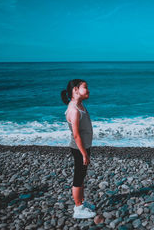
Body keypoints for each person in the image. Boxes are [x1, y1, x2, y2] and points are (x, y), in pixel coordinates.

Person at [61, 79, 96, 219]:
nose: (88, 90)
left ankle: (81, 202)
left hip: (84, 147)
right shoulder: (74, 110)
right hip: (79, 149)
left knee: (82, 176)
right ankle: (78, 208)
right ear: (75, 90)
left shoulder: (80, 105)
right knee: (78, 177)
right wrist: (84, 154)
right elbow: (76, 135)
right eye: (85, 87)